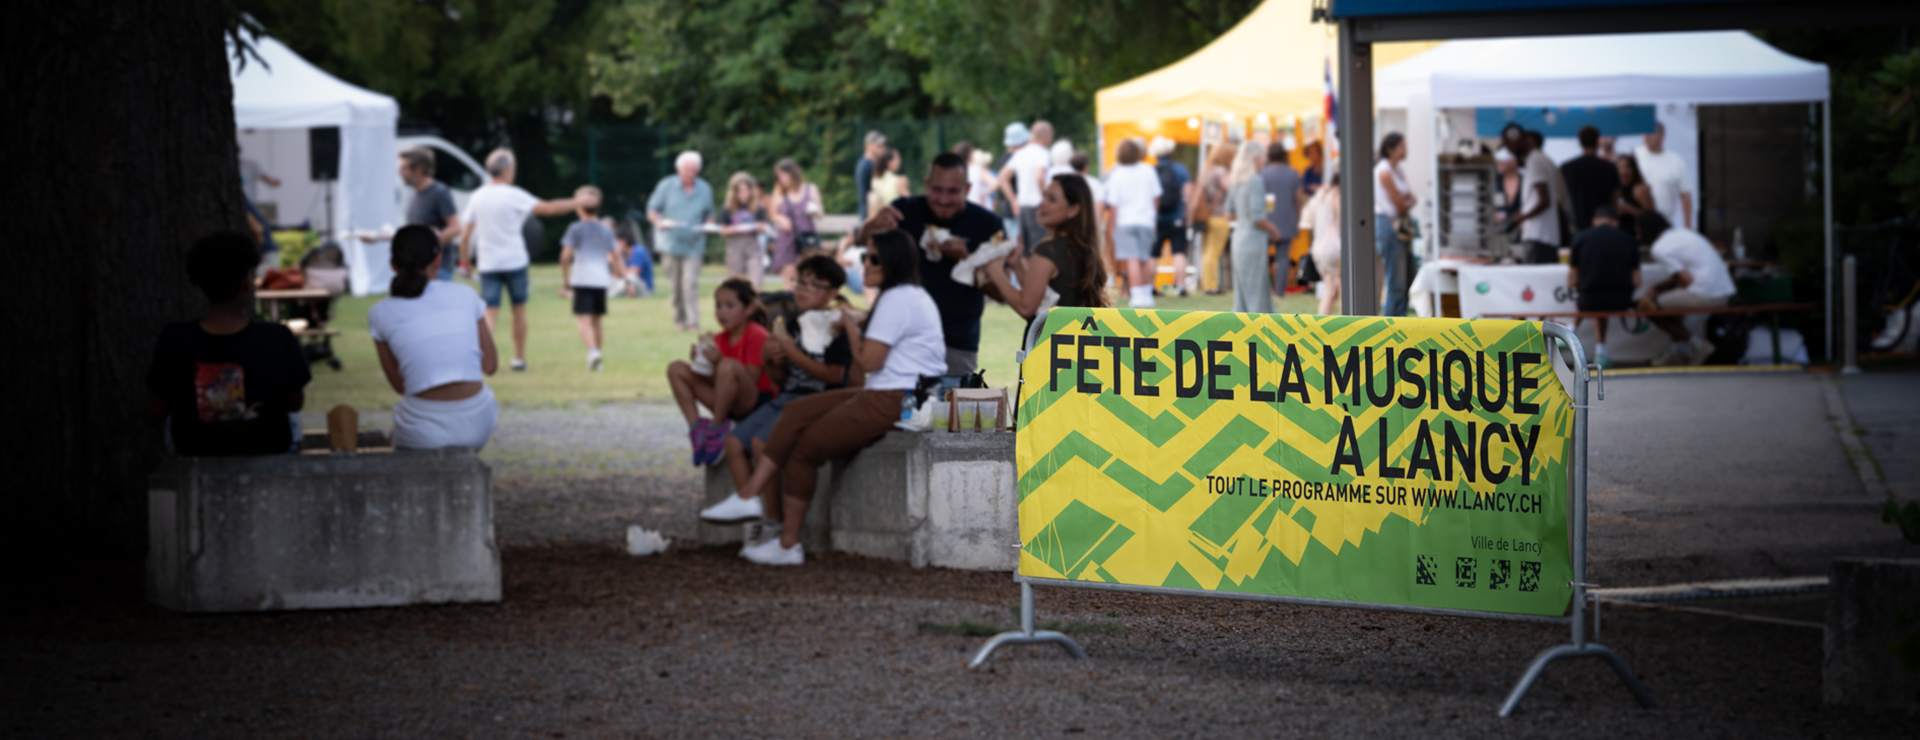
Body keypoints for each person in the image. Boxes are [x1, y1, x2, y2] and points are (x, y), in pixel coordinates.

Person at [731, 231, 948, 565]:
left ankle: (788, 545)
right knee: (797, 409)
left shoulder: (896, 299)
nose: (865, 264)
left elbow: (868, 362)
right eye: (864, 257)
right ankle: (748, 496)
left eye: (874, 258)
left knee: (804, 449)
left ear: (893, 262)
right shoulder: (909, 295)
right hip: (892, 391)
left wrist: (848, 326)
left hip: (896, 397)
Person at [698, 255, 858, 524]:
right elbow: (781, 378)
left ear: (832, 293)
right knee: (734, 442)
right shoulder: (794, 324)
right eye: (800, 282)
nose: (803, 289)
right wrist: (770, 359)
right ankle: (750, 508)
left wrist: (793, 354)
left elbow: (836, 375)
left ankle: (773, 520)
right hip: (785, 397)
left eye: (813, 285)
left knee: (762, 444)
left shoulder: (835, 327)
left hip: (816, 400)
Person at [146, 232, 311, 456]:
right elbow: (294, 403)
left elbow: (156, 410)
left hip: (196, 459)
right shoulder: (277, 339)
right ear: (246, 282)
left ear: (200, 286)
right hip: (267, 458)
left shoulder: (175, 340)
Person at [859, 152, 1003, 375]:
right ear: (926, 185)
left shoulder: (987, 224)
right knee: (896, 406)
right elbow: (866, 240)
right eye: (937, 190)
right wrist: (874, 223)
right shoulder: (905, 211)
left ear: (967, 189)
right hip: (901, 337)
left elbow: (1001, 292)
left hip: (955, 341)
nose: (944, 199)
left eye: (953, 191)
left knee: (947, 408)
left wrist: (966, 260)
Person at [368, 224, 502, 450]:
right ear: (438, 261)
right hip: (479, 419)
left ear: (393, 265)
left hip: (421, 427)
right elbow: (490, 365)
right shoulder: (465, 294)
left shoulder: (380, 312)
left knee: (390, 454)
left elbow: (400, 386)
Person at [458, 149, 580, 372]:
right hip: (514, 261)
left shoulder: (477, 196)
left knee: (490, 313)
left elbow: (465, 235)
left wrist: (464, 262)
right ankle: (518, 359)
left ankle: (480, 360)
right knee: (519, 310)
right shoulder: (513, 194)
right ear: (506, 170)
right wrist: (576, 202)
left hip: (488, 263)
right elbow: (549, 208)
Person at [666, 277, 774, 466]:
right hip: (727, 401)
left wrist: (719, 363)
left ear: (748, 309)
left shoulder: (756, 335)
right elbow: (718, 379)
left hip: (755, 403)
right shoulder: (719, 339)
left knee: (728, 366)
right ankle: (696, 428)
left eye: (729, 306)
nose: (722, 312)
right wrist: (700, 363)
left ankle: (717, 428)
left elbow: (750, 380)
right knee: (676, 368)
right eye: (718, 306)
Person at [984, 174, 1110, 325]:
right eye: (1044, 196)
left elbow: (1026, 308)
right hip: (1074, 342)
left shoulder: (1048, 251)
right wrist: (1016, 265)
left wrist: (994, 269)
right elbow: (1042, 298)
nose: (1042, 203)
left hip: (1049, 343)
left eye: (1052, 199)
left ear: (1073, 209)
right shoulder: (1082, 248)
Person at [1637, 212, 1735, 366]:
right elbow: (1685, 277)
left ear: (1647, 230)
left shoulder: (1659, 248)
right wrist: (1659, 287)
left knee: (1649, 308)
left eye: (1638, 232)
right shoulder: (1683, 233)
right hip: (1724, 291)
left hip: (1706, 293)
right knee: (1669, 302)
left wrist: (1657, 291)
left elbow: (1685, 281)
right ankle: (1679, 351)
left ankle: (1699, 345)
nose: (1637, 237)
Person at [647, 150, 717, 332]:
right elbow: (652, 210)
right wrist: (658, 223)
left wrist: (708, 226)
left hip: (695, 243)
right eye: (687, 169)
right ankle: (679, 320)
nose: (690, 173)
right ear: (678, 169)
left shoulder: (704, 188)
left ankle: (693, 322)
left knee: (690, 283)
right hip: (670, 243)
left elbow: (710, 214)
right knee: (676, 286)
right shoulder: (666, 186)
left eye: (693, 170)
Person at [1566, 205, 1642, 369]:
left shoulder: (1580, 239)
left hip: (1588, 301)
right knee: (1600, 300)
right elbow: (1637, 281)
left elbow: (1572, 281)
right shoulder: (1628, 239)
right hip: (1621, 301)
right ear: (1615, 223)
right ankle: (1601, 351)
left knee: (1593, 299)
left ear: (1594, 222)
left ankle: (1571, 331)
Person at [558, 186, 622, 371]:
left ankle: (593, 351)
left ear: (578, 206)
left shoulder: (574, 228)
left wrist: (565, 277)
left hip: (582, 278)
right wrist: (625, 279)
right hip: (601, 279)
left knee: (583, 320)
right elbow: (616, 256)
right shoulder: (605, 229)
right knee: (597, 320)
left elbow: (565, 256)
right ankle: (598, 359)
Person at [1102, 138, 1163, 308]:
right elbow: (1156, 198)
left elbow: (1114, 205)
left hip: (1125, 221)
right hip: (1146, 220)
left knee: (1132, 259)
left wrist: (1112, 225)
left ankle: (1136, 295)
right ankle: (1146, 293)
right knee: (1145, 257)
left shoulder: (1117, 174)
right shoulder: (1148, 171)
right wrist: (1153, 218)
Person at [1227, 144, 1281, 314]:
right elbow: (1258, 217)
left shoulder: (1235, 181)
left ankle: (1241, 327)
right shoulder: (1255, 181)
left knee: (1242, 291)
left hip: (1238, 238)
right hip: (1253, 240)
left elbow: (1229, 213)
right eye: (1263, 156)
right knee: (1256, 290)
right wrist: (1273, 230)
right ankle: (1260, 328)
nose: (1265, 160)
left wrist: (1243, 216)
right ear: (1255, 158)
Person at [399, 147, 462, 281]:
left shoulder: (439, 193)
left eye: (404, 168)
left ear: (418, 169)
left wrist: (428, 244)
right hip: (418, 267)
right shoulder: (413, 194)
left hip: (439, 270)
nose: (400, 173)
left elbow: (456, 228)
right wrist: (379, 238)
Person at [1502, 124, 1561, 265]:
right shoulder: (1537, 159)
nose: (1510, 149)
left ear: (1522, 140)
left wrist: (1519, 218)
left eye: (1510, 144)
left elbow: (1544, 200)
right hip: (1541, 236)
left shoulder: (1535, 161)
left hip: (1539, 236)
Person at [1375, 133, 1416, 316]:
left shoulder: (1396, 170)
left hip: (1398, 225)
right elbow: (1401, 203)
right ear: (1390, 149)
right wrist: (1405, 202)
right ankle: (1390, 325)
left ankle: (1400, 320)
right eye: (1402, 146)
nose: (1405, 150)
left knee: (1406, 279)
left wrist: (1404, 202)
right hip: (1389, 226)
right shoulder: (1384, 171)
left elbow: (1409, 199)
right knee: (1396, 281)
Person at [997, 120, 1055, 254]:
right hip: (1038, 206)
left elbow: (1002, 177)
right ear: (1047, 136)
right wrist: (1048, 197)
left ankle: (1026, 275)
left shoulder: (1021, 154)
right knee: (1041, 250)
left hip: (1022, 208)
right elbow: (1040, 177)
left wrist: (1013, 201)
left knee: (1025, 251)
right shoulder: (1043, 153)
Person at [768, 158, 823, 288]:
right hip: (786, 240)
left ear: (792, 173)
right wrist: (781, 219)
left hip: (805, 240)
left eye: (783, 175)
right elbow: (772, 214)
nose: (781, 179)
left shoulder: (810, 189)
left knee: (807, 278)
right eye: (778, 176)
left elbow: (820, 213)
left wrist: (813, 210)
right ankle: (791, 305)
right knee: (790, 279)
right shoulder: (779, 192)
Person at [1149, 136, 1193, 298]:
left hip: (1156, 219)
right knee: (1179, 252)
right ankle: (1181, 286)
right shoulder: (1181, 170)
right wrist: (1188, 216)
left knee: (1153, 254)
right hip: (1176, 218)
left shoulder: (1151, 171)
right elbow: (1189, 194)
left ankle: (1152, 287)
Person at [1260, 140, 1304, 295]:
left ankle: (1263, 290)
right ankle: (1279, 291)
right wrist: (1297, 219)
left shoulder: (1263, 174)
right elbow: (1298, 199)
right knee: (1283, 258)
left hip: (1266, 220)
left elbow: (1261, 198)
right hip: (1287, 220)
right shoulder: (1292, 173)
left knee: (1262, 258)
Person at [1194, 142, 1237, 294]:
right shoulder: (1221, 171)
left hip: (1205, 216)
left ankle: (1207, 282)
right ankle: (1211, 285)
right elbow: (1231, 188)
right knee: (1213, 252)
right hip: (1219, 215)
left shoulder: (1205, 171)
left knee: (1207, 251)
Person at [1561, 125, 1622, 232]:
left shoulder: (1567, 167)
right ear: (1597, 141)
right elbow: (1615, 197)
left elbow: (1561, 196)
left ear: (1580, 142)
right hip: (1604, 221)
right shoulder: (1608, 167)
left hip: (1577, 222)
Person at [1634, 122, 1694, 230]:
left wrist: (1688, 226)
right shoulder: (1633, 156)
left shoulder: (1675, 161)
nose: (1647, 136)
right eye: (1645, 133)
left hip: (1665, 224)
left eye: (1651, 132)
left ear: (1662, 136)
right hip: (1636, 224)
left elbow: (1685, 195)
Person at [1301, 173, 1343, 315]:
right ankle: (1347, 326)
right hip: (1336, 247)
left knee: (1329, 291)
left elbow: (1309, 218)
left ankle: (1321, 327)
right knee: (1345, 292)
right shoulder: (1338, 194)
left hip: (1319, 247)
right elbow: (1342, 219)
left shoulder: (1320, 194)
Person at [721, 172, 769, 287]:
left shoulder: (757, 207)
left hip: (752, 245)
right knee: (736, 283)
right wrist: (734, 229)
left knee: (756, 281)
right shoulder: (728, 207)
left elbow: (764, 227)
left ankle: (754, 303)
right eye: (740, 191)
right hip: (734, 245)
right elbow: (722, 230)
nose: (744, 194)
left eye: (746, 190)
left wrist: (759, 227)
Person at [1615, 154, 1656, 241]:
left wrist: (1630, 210)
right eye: (1619, 168)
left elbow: (1652, 218)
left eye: (1627, 167)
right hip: (1620, 239)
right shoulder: (1616, 190)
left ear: (1634, 170)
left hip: (1638, 240)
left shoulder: (1639, 189)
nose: (1623, 171)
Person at [868, 149, 910, 217]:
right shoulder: (899, 181)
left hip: (881, 221)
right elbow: (911, 205)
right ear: (889, 162)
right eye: (897, 159)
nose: (900, 161)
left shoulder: (874, 181)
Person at [856, 130, 887, 222]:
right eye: (879, 146)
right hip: (870, 217)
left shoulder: (863, 163)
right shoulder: (868, 165)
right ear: (868, 146)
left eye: (883, 145)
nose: (883, 148)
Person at [619, 225, 655, 298]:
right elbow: (614, 274)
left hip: (645, 289)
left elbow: (634, 272)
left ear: (624, 241)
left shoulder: (638, 251)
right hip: (629, 285)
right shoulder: (622, 254)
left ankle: (609, 294)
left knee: (631, 278)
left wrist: (621, 272)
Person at [963, 145, 997, 211]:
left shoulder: (961, 171)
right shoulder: (979, 170)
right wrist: (983, 194)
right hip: (983, 208)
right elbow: (995, 183)